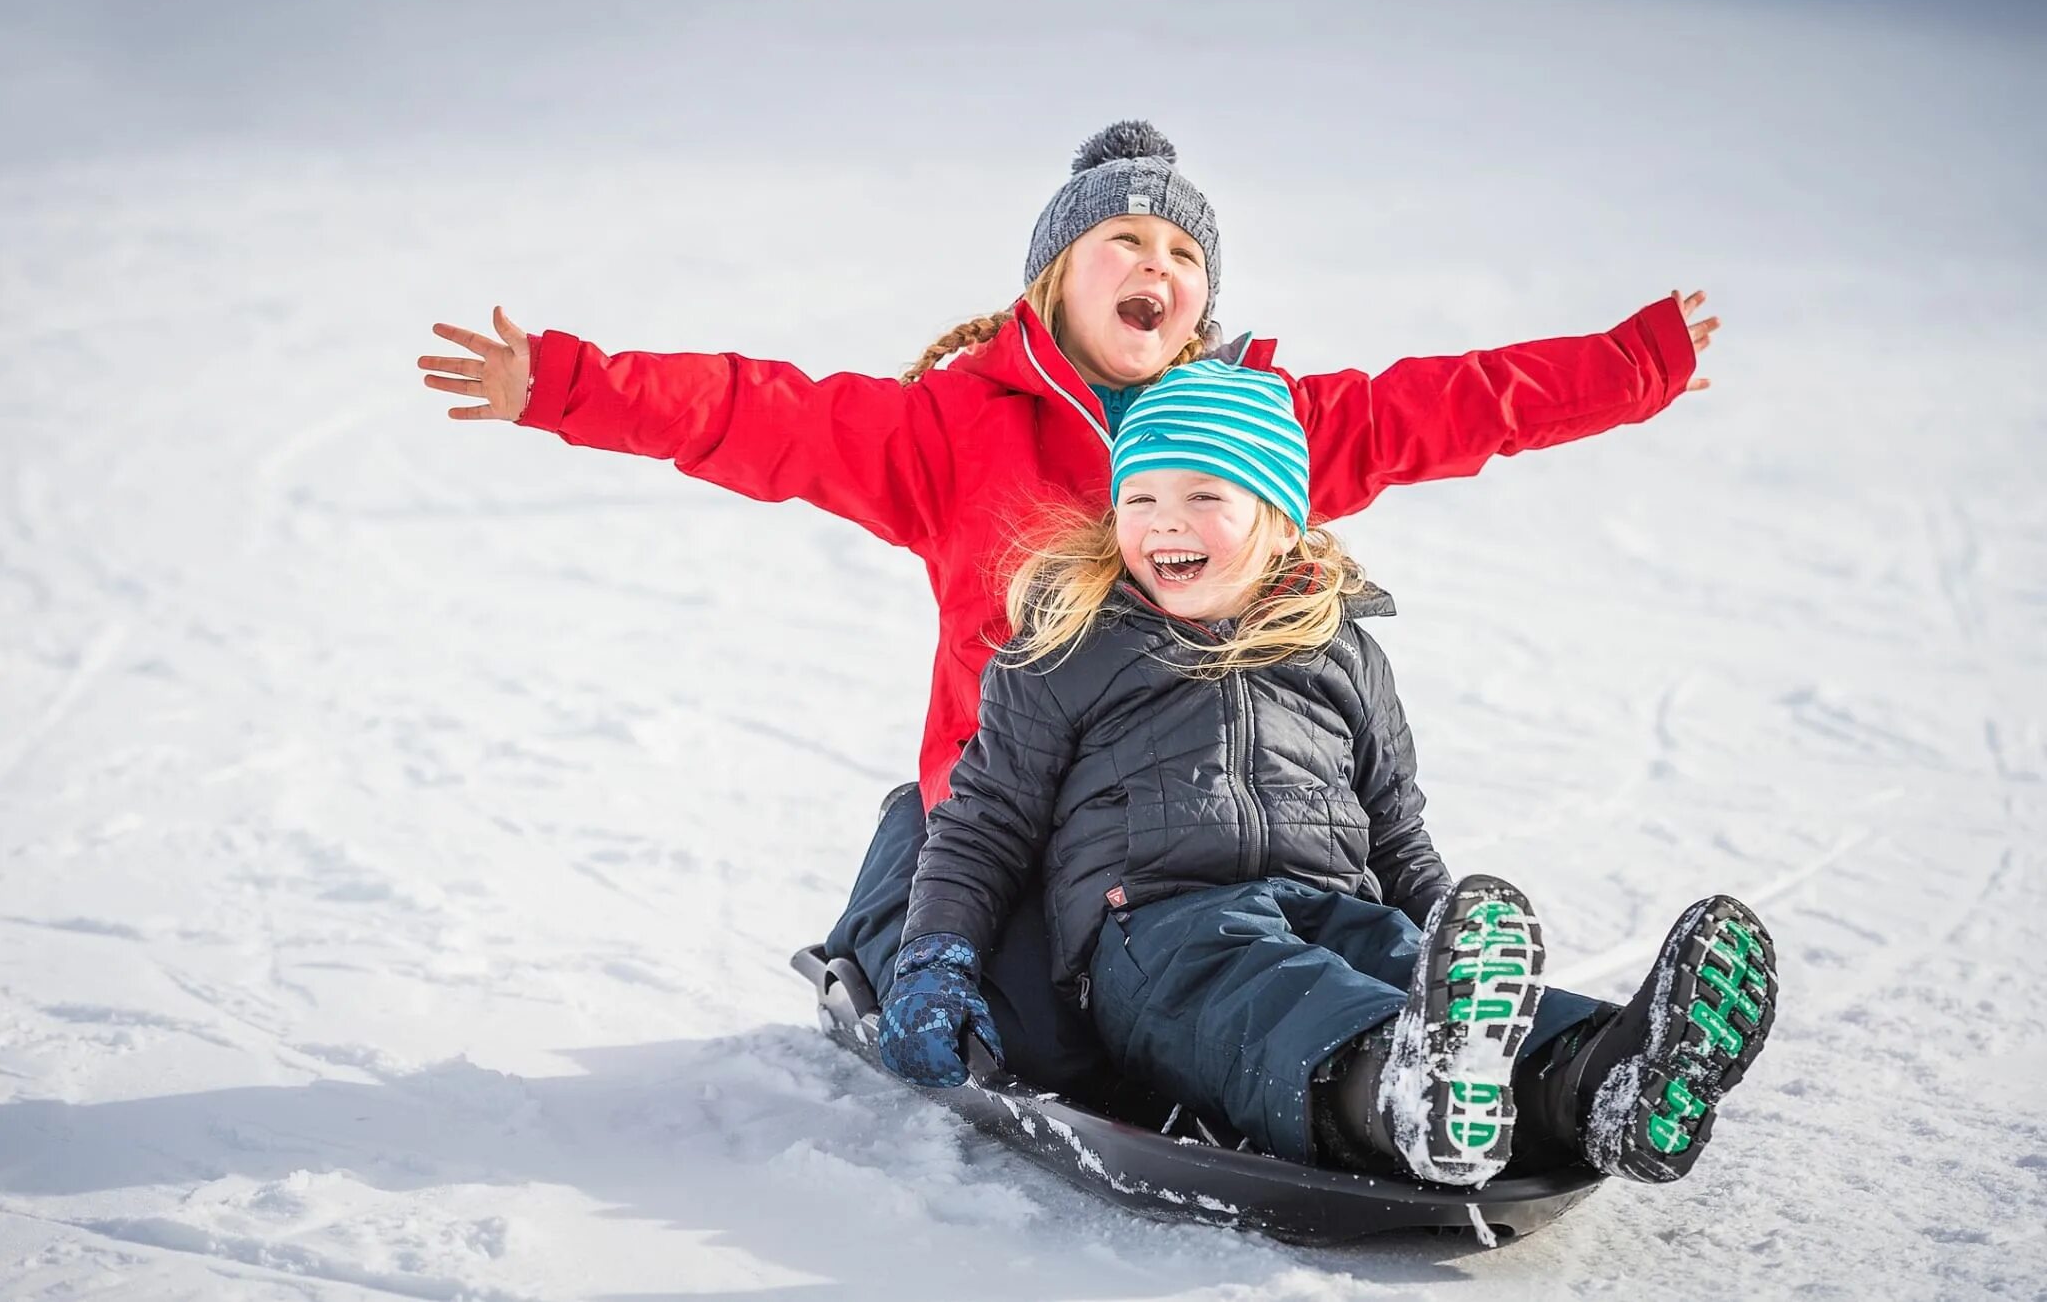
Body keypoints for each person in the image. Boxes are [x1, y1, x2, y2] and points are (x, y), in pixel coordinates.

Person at [418, 120, 1721, 1098]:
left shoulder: (1262, 431)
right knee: (1033, 1035)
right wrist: (566, 383)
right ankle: (929, 956)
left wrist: (1636, 362)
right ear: (1055, 276)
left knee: (1332, 932)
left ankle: (1566, 1069)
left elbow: (1453, 400)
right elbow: (756, 411)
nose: (1159, 261)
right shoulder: (949, 429)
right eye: (1126, 240)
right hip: (1008, 806)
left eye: (1184, 249)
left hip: (1208, 809)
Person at [878, 361, 1779, 1187]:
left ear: (1278, 516)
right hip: (1156, 931)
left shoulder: (1342, 653)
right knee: (1278, 997)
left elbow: (1394, 828)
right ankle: (1397, 1098)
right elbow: (985, 822)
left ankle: (1604, 1077)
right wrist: (936, 955)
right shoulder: (1070, 649)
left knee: (1392, 966)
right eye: (1139, 495)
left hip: (1333, 903)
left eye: (1204, 493)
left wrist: (1440, 935)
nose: (1163, 521)